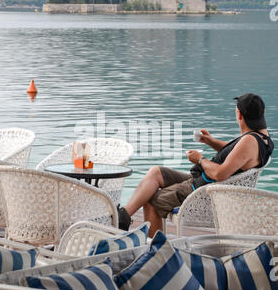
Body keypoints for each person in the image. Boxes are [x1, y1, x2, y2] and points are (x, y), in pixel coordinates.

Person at [117, 93, 274, 237]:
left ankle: (158, 254)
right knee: (156, 172)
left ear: (239, 114)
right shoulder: (262, 138)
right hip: (204, 182)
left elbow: (220, 174)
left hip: (204, 190)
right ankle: (124, 217)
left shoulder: (249, 141)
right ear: (263, 112)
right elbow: (237, 156)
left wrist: (200, 159)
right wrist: (210, 141)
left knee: (152, 200)